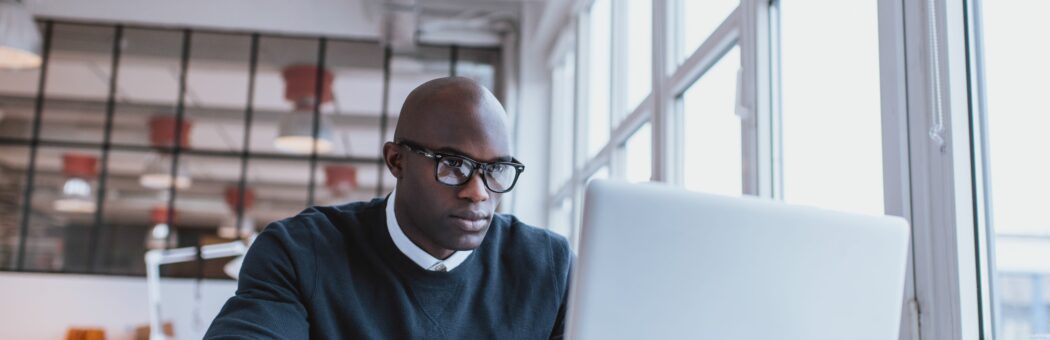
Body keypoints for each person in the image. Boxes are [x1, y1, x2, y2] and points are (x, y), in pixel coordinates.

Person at [204, 77, 573, 339]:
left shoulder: (547, 267)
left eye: (495, 170)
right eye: (453, 165)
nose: (478, 192)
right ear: (396, 161)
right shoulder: (301, 252)